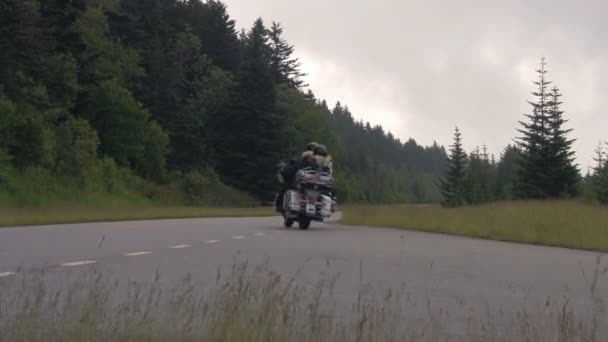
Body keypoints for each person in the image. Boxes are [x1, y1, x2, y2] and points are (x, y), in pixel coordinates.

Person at [275, 142, 321, 212]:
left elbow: (288, 172)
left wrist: (283, 169)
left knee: (286, 185)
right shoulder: (318, 166)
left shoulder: (300, 162)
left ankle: (280, 205)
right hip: (315, 189)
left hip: (299, 188)